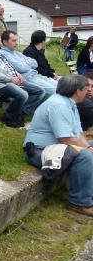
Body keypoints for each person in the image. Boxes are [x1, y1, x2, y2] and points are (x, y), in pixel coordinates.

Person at [23, 74, 93, 217]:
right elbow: (66, 139)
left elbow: (78, 134)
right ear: (76, 91)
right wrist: (88, 150)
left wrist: (89, 147)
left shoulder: (69, 103)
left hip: (57, 147)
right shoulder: (59, 105)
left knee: (88, 150)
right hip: (40, 151)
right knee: (84, 156)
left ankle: (87, 190)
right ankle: (79, 203)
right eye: (86, 88)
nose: (88, 91)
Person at [0, 30, 46, 128]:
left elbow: (8, 66)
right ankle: (8, 116)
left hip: (12, 79)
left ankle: (19, 114)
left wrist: (18, 75)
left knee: (40, 91)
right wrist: (10, 79)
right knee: (23, 95)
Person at [0, 30, 57, 99]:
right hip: (27, 79)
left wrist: (24, 63)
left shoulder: (15, 53)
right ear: (5, 42)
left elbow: (35, 63)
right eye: (14, 41)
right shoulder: (4, 54)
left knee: (60, 87)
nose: (16, 43)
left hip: (36, 75)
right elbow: (21, 68)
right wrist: (25, 63)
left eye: (16, 40)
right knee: (56, 91)